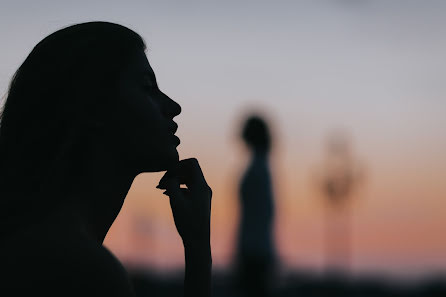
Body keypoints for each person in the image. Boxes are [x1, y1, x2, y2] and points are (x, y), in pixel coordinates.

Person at [0, 22, 212, 297]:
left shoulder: (36, 244)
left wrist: (196, 244)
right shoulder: (82, 270)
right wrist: (199, 251)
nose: (174, 107)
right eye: (148, 88)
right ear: (93, 106)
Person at [236, 115, 276, 297]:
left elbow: (265, 212)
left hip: (254, 250)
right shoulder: (260, 166)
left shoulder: (259, 168)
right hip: (256, 248)